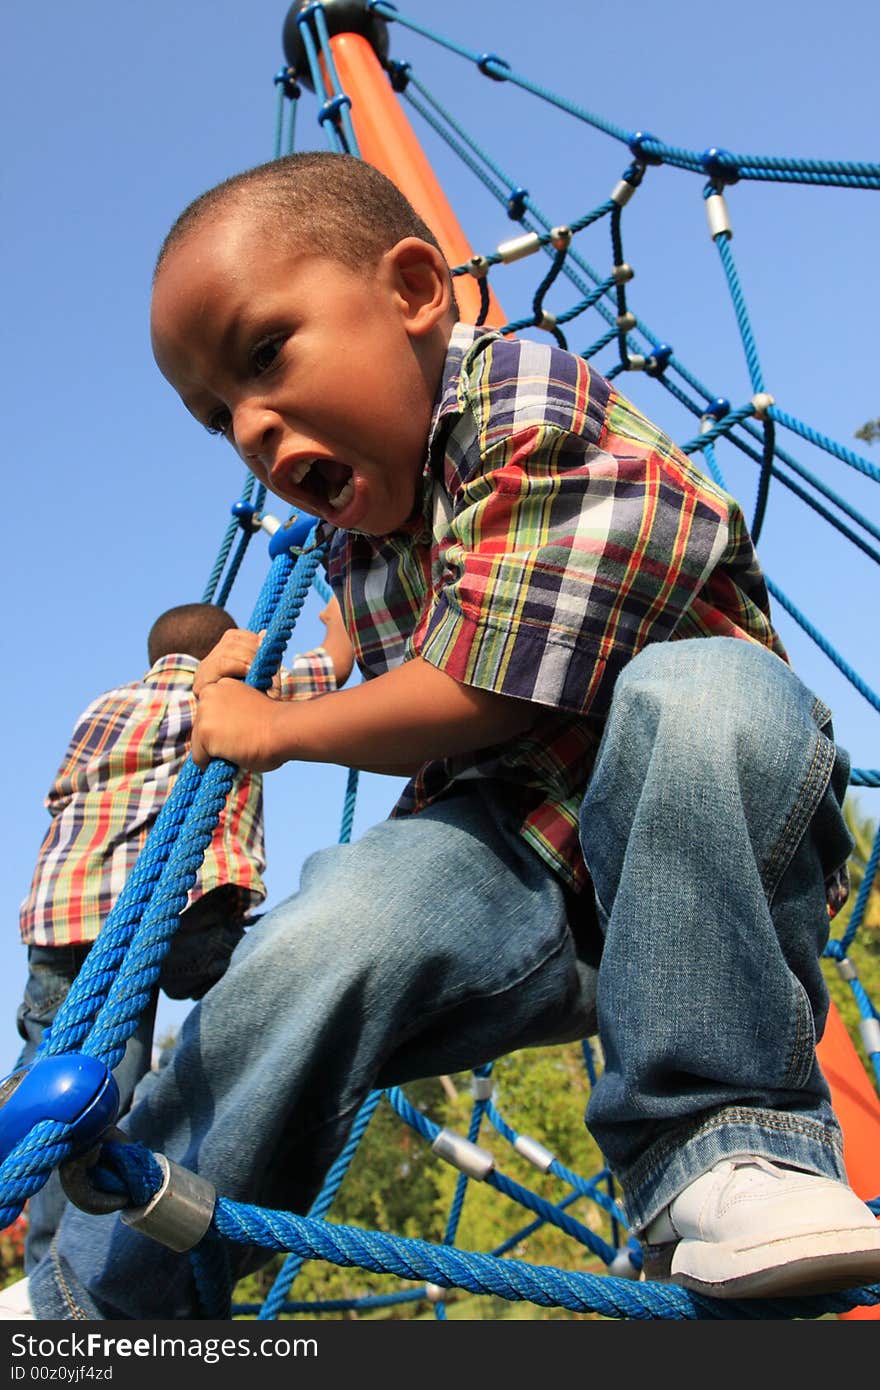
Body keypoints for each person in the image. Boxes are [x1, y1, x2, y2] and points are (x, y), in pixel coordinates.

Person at [5, 149, 878, 1322]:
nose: (254, 430)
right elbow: (383, 660)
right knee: (331, 928)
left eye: (267, 356)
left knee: (697, 689)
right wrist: (249, 670)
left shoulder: (526, 402)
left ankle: (726, 1152)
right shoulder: (353, 548)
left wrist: (279, 726)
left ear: (416, 290)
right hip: (521, 877)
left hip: (702, 845)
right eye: (220, 417)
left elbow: (486, 683)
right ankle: (92, 1295)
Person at [13, 595, 353, 1272]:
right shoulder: (225, 692)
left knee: (69, 1086)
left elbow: (58, 795)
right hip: (180, 907)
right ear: (225, 652)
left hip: (62, 913)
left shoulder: (101, 709)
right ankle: (228, 1134)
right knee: (275, 985)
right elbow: (333, 670)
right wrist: (336, 617)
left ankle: (43, 1262)